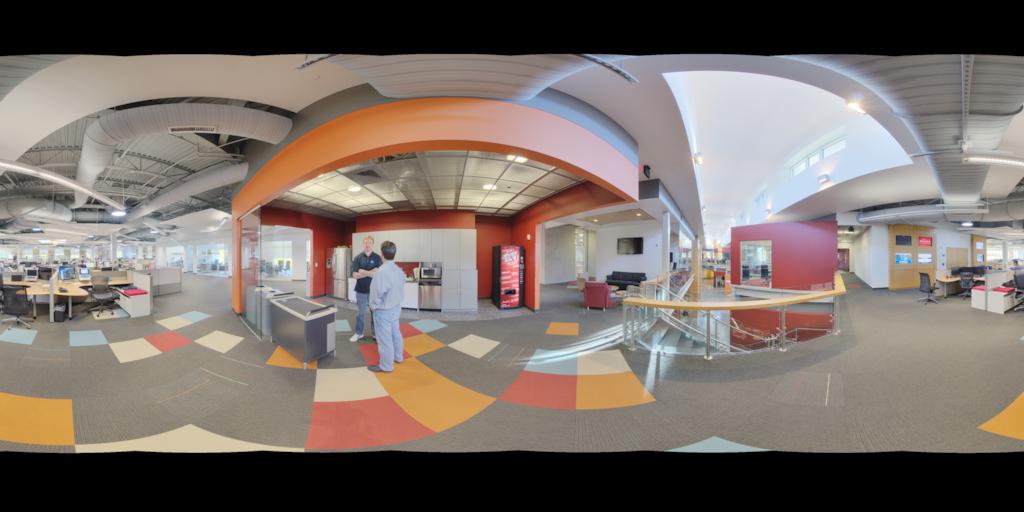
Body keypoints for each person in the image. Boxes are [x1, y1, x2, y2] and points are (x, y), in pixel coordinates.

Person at [366, 241, 405, 373]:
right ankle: (398, 357)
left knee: (384, 339)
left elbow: (376, 293)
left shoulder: (381, 272)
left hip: (383, 310)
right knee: (396, 333)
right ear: (394, 254)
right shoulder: (399, 270)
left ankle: (386, 366)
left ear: (381, 254)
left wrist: (373, 306)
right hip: (396, 308)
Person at [350, 235, 383, 342]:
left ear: (373, 244)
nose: (367, 244)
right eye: (365, 242)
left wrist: (362, 271)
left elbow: (378, 274)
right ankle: (359, 333)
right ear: (363, 244)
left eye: (369, 242)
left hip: (374, 291)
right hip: (361, 290)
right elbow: (354, 275)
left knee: (375, 313)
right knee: (360, 313)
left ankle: (375, 334)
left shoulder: (377, 258)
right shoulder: (358, 257)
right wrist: (371, 272)